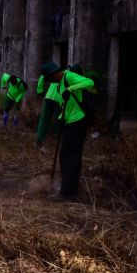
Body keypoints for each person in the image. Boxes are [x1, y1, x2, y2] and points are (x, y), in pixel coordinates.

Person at [47, 62, 95, 200]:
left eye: (50, 78)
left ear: (54, 74)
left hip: (78, 122)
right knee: (65, 155)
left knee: (70, 156)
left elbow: (89, 82)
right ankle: (68, 188)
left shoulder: (69, 77)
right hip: (70, 121)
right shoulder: (60, 82)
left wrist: (71, 88)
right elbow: (65, 104)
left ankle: (67, 192)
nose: (50, 81)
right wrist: (61, 118)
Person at [36, 63, 63, 149]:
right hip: (59, 98)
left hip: (49, 96)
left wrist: (40, 91)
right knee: (59, 118)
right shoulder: (66, 75)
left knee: (44, 118)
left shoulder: (52, 73)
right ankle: (57, 138)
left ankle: (39, 138)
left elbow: (42, 77)